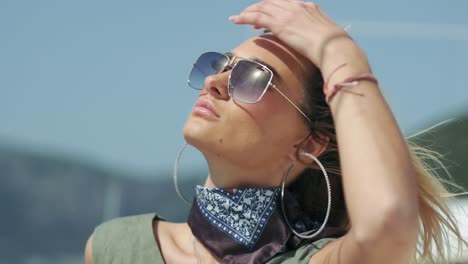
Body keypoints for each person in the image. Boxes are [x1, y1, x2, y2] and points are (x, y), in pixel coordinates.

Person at [84, 1, 467, 263]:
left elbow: (388, 222)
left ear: (308, 143)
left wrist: (339, 51)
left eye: (251, 78)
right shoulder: (114, 247)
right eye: (219, 64)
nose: (215, 82)